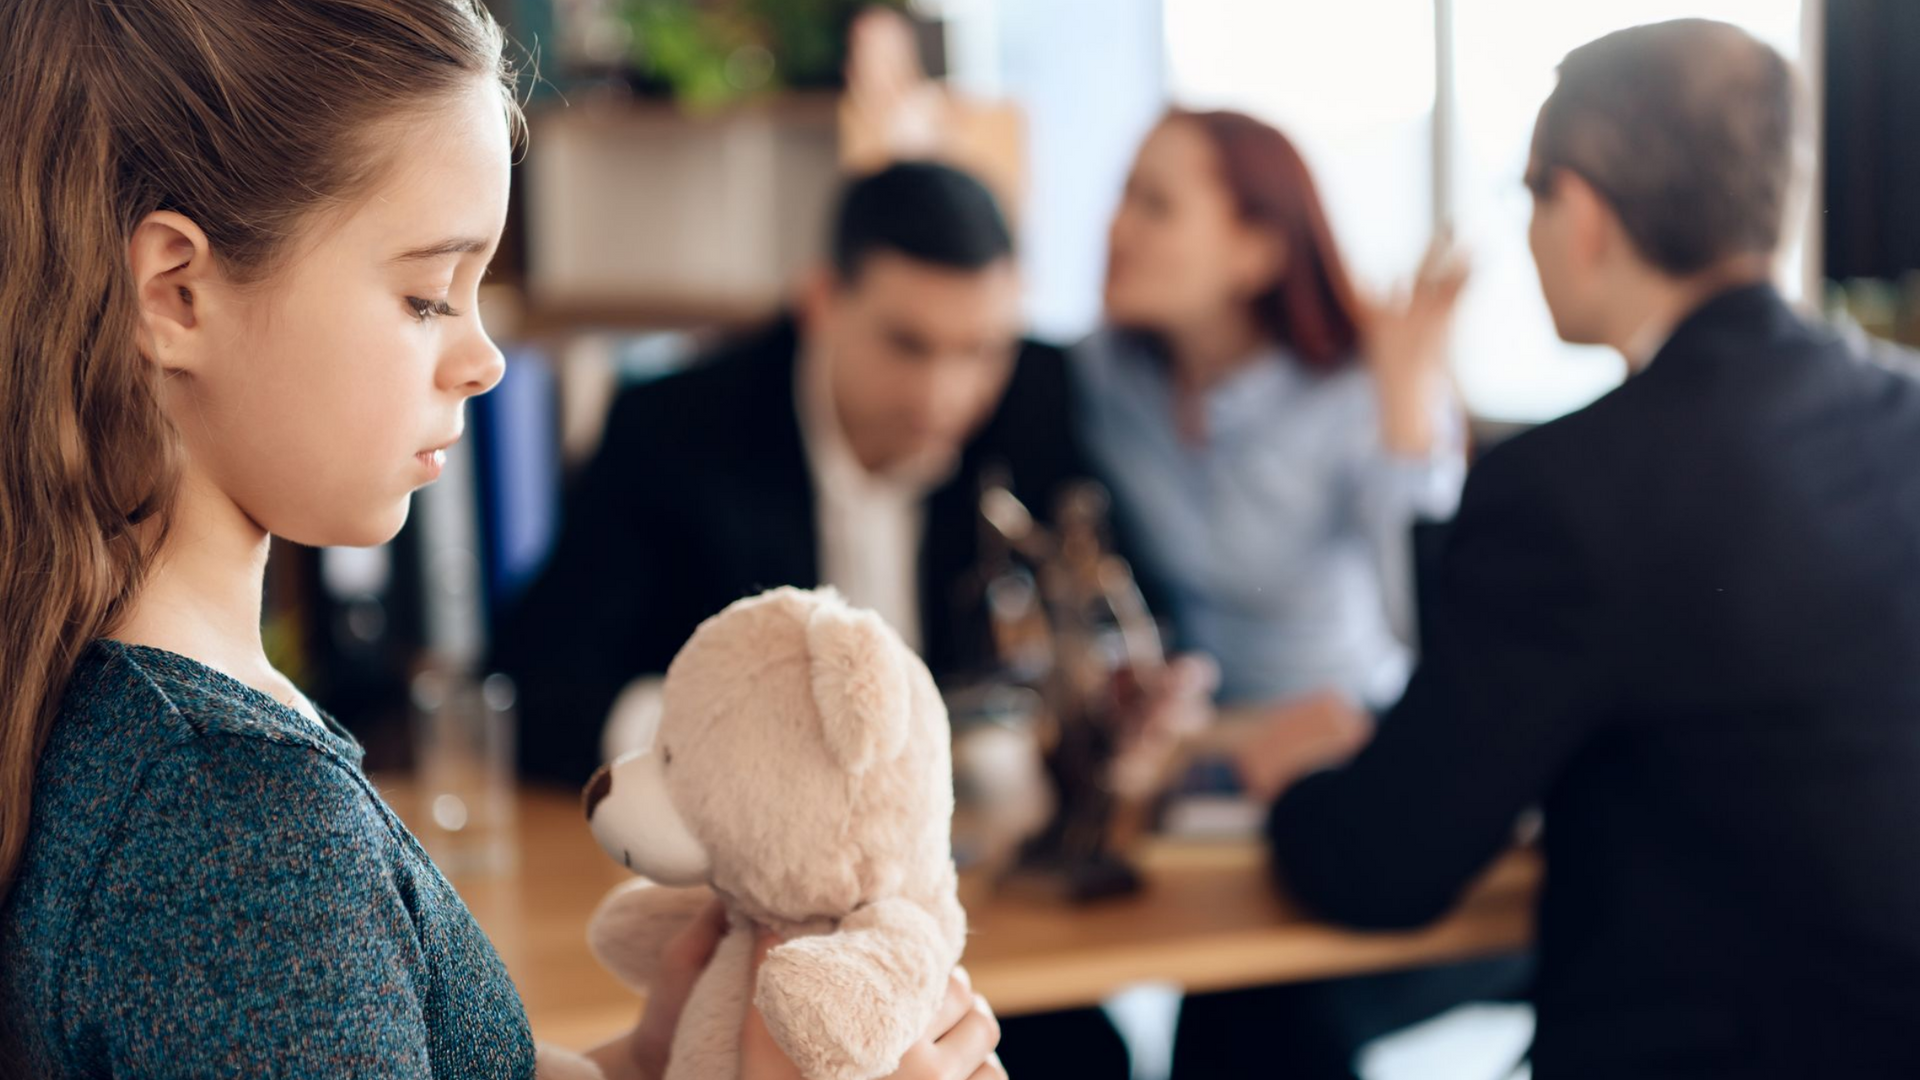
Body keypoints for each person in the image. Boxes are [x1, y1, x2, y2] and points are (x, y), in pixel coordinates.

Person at [0, 4, 1003, 1079]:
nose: (484, 358)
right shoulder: (243, 833)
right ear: (176, 293)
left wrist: (651, 1060)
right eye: (429, 295)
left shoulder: (167, 723)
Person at [1251, 19, 1920, 1079]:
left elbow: (1385, 865)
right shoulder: (1904, 416)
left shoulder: (1564, 492)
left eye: (1530, 196)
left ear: (1588, 214)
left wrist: (1284, 785)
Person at [1027, 107, 1523, 1080]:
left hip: (1338, 745)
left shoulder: (1358, 393)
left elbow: (1424, 621)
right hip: (1189, 763)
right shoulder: (1103, 376)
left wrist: (1402, 402)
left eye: (1156, 204)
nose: (1116, 227)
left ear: (1255, 252)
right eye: (1124, 195)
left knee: (1254, 1034)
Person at [494, 161, 1215, 789]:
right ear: (820, 301)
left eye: (981, 350)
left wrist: (1140, 694)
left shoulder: (1036, 392)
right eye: (909, 344)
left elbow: (1134, 609)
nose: (945, 396)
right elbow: (536, 689)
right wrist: (723, 733)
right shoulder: (675, 428)